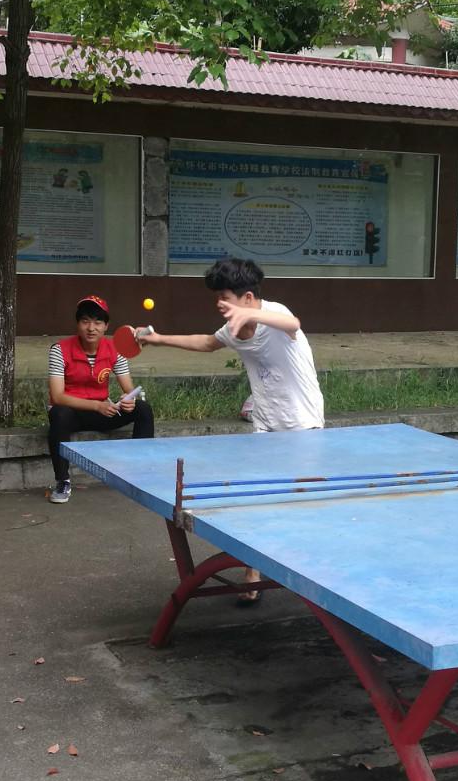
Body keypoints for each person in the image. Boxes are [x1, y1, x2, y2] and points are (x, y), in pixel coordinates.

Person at [139, 256, 323, 600]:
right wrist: (158, 338)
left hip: (303, 424)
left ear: (248, 298)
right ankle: (253, 570)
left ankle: (310, 570)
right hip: (265, 424)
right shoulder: (233, 330)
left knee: (297, 502)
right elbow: (207, 343)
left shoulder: (275, 314)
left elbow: (293, 323)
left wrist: (250, 315)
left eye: (225, 298)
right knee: (255, 498)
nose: (219, 304)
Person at [45, 294, 155, 504]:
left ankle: (140, 475)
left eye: (97, 322)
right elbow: (58, 397)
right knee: (59, 414)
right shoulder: (59, 350)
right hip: (72, 412)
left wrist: (129, 399)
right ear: (78, 324)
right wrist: (97, 405)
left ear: (106, 326)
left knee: (142, 408)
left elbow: (129, 388)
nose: (91, 328)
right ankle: (62, 481)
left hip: (102, 411)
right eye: (85, 321)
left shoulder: (115, 349)